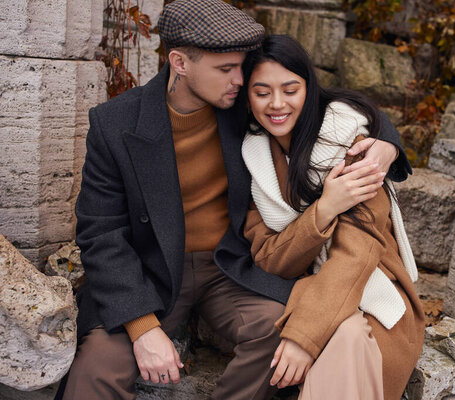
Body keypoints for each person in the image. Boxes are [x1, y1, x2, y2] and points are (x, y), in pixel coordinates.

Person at [56, 1, 410, 399]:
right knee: (96, 369)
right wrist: (142, 327)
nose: (240, 80)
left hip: (230, 268)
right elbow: (100, 233)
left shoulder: (245, 107)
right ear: (179, 62)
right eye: (226, 69)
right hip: (149, 272)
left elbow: (329, 109)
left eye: (241, 66)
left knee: (278, 330)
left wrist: (385, 145)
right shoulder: (116, 123)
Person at [242, 35, 426, 399]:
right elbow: (269, 257)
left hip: (374, 291)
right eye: (262, 93)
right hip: (308, 290)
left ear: (309, 90)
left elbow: (358, 253)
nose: (277, 104)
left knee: (350, 337)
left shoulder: (350, 145)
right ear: (247, 97)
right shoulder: (253, 155)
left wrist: (303, 337)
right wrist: (325, 209)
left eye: (290, 90)